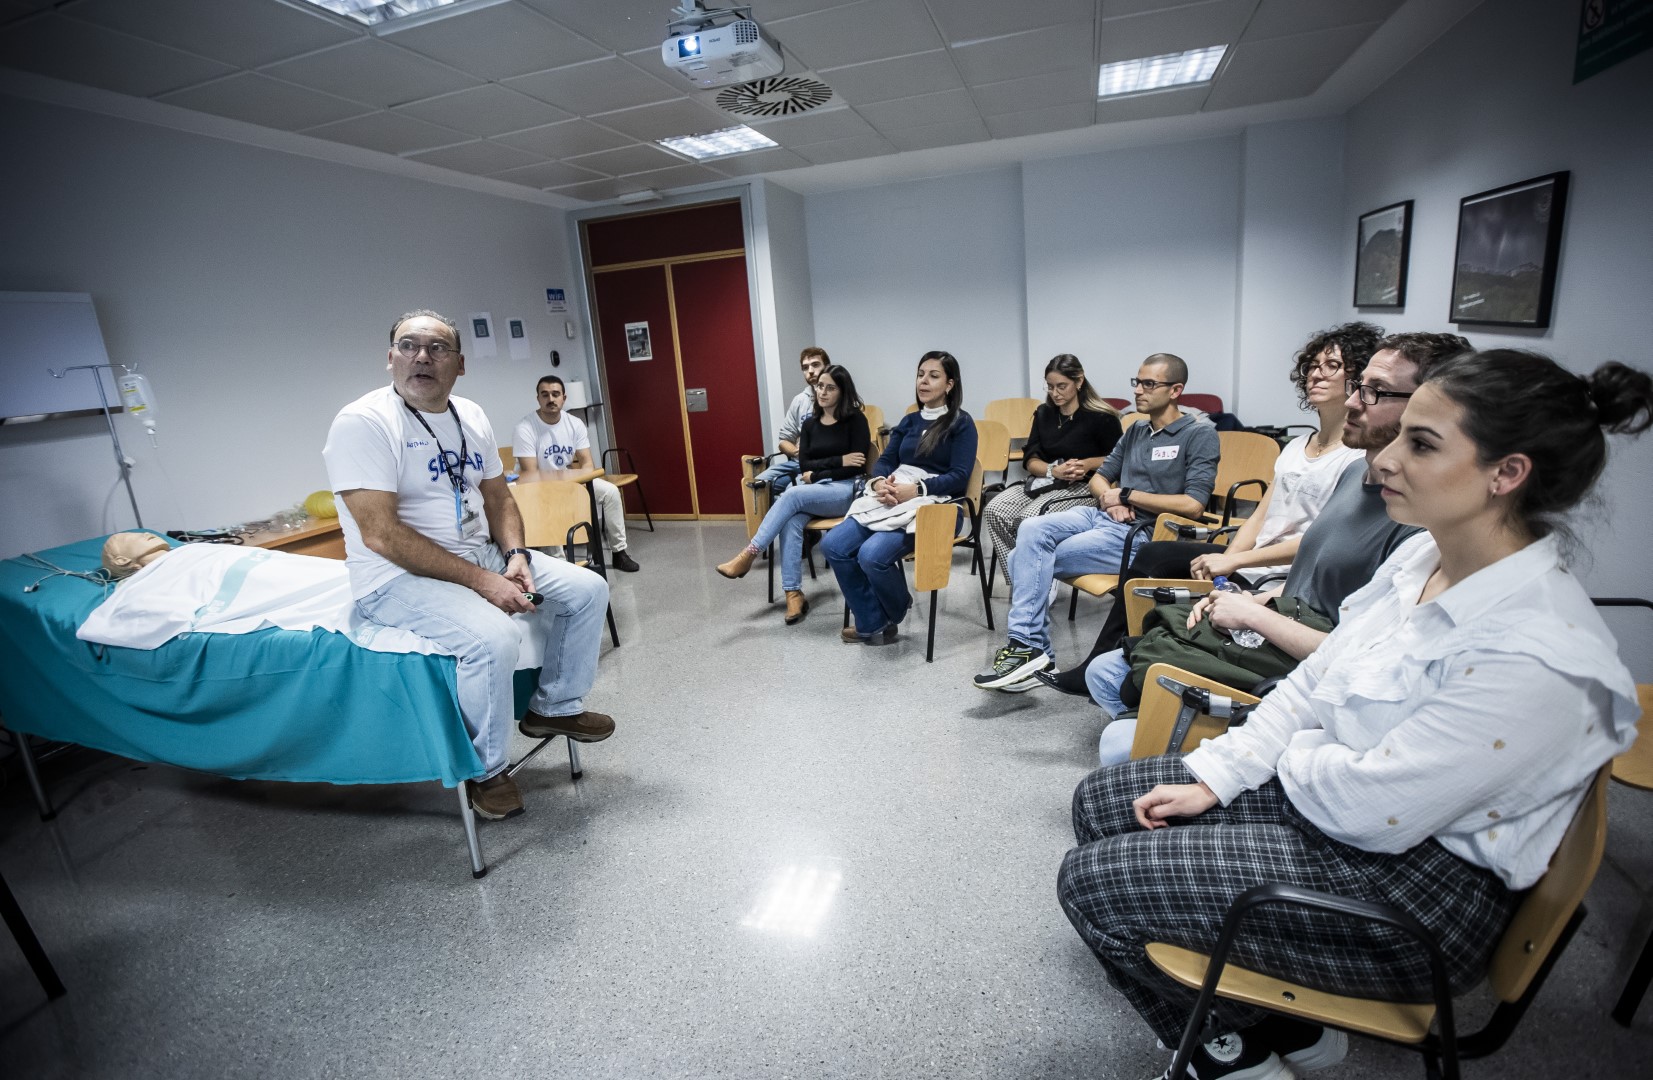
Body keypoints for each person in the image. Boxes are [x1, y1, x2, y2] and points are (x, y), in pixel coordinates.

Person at [1056, 348, 1650, 1080]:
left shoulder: (1538, 653)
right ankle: (1287, 1027)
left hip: (1415, 894)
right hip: (1348, 807)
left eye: (1421, 444)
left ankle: (1235, 1058)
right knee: (1101, 801)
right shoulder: (1422, 560)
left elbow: (1367, 808)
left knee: (1090, 883)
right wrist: (1221, 774)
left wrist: (1292, 753)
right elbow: (1315, 682)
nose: (1385, 459)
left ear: (1506, 474)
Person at [1078, 332, 1469, 761]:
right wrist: (1254, 598)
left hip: (1300, 668)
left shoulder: (1417, 524)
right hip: (1280, 620)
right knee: (1106, 672)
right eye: (1359, 386)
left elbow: (1356, 655)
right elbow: (1309, 572)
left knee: (1117, 740)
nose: (1354, 400)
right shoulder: (1353, 475)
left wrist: (1251, 610)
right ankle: (1165, 728)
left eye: (1374, 391)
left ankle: (1173, 733)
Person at [323, 310, 615, 822]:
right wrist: (484, 583)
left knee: (587, 589)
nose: (422, 356)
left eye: (437, 348)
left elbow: (498, 497)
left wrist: (516, 555)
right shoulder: (363, 423)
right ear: (390, 357)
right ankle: (486, 770)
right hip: (394, 576)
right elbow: (381, 534)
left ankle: (553, 708)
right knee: (492, 638)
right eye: (408, 345)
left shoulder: (470, 415)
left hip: (480, 551)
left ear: (459, 364)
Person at [1040, 324, 1379, 686]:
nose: (1316, 373)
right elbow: (1260, 516)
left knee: (1156, 558)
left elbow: (1321, 543)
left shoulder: (1356, 459)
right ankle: (1117, 659)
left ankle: (1130, 665)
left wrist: (1234, 562)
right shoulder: (1297, 446)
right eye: (1312, 365)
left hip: (1292, 573)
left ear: (1359, 380)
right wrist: (1228, 558)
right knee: (1155, 555)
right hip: (1252, 559)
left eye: (1331, 366)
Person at [974, 353, 1219, 691]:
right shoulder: (1137, 430)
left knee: (1021, 558)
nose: (1138, 390)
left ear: (1175, 390)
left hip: (1145, 533)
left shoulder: (1199, 434)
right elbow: (1100, 478)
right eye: (1138, 382)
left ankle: (1031, 650)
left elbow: (1193, 505)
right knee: (1031, 529)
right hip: (1103, 516)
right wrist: (1110, 498)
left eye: (1149, 384)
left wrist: (1127, 495)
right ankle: (1030, 649)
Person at [822, 351, 978, 644]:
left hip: (938, 505)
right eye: (920, 374)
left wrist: (916, 489)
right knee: (833, 545)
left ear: (950, 384)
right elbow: (885, 460)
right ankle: (873, 619)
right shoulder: (909, 421)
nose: (923, 381)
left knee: (871, 556)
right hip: (895, 494)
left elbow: (959, 476)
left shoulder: (962, 423)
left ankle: (892, 608)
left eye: (933, 376)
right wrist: (880, 482)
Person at [715, 365, 872, 624]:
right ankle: (793, 593)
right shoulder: (810, 424)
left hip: (847, 490)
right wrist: (837, 461)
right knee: (791, 518)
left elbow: (855, 466)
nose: (822, 392)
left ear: (843, 392)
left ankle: (750, 553)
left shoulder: (855, 420)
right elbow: (805, 464)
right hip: (815, 491)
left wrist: (819, 473)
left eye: (830, 388)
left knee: (791, 495)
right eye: (820, 386)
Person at [982, 354, 1123, 581]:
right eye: (1050, 387)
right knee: (995, 510)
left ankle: (1038, 577)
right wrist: (1053, 470)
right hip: (1044, 481)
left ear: (1079, 381)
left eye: (1061, 386)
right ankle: (1026, 580)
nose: (1055, 393)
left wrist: (1087, 464)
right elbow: (1031, 459)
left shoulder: (1102, 417)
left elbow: (1118, 458)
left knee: (1029, 519)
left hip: (1084, 487)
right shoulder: (1044, 413)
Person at [513, 374, 639, 573]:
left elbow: (587, 463)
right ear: (538, 398)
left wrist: (577, 483)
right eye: (545, 395)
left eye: (555, 394)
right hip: (537, 488)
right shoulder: (525, 428)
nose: (550, 399)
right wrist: (565, 486)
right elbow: (531, 473)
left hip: (569, 481)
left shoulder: (574, 423)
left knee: (610, 492)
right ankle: (561, 567)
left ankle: (619, 553)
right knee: (549, 505)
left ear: (564, 398)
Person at [752, 346, 831, 496]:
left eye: (815, 365)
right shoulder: (800, 400)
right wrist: (798, 452)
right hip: (797, 461)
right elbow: (784, 440)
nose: (810, 371)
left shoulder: (838, 397)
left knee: (791, 491)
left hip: (823, 465)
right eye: (805, 367)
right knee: (757, 484)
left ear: (827, 367)